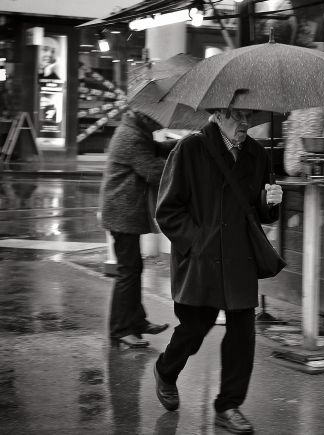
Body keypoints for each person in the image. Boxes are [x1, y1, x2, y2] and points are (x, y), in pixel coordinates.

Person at [153, 107, 283, 434]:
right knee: (196, 326)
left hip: (239, 256)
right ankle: (167, 371)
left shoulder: (256, 154)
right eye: (237, 115)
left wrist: (271, 203)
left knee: (242, 333)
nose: (245, 123)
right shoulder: (190, 149)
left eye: (249, 116)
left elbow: (261, 213)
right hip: (201, 257)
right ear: (217, 114)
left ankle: (229, 406)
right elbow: (167, 210)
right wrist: (198, 241)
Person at [99, 109, 173, 348]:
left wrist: (183, 144)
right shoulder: (130, 136)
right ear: (145, 117)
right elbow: (153, 170)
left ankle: (136, 321)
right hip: (122, 213)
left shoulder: (136, 132)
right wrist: (185, 166)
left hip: (124, 212)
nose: (158, 125)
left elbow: (155, 150)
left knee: (132, 269)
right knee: (127, 272)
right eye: (156, 120)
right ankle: (120, 330)